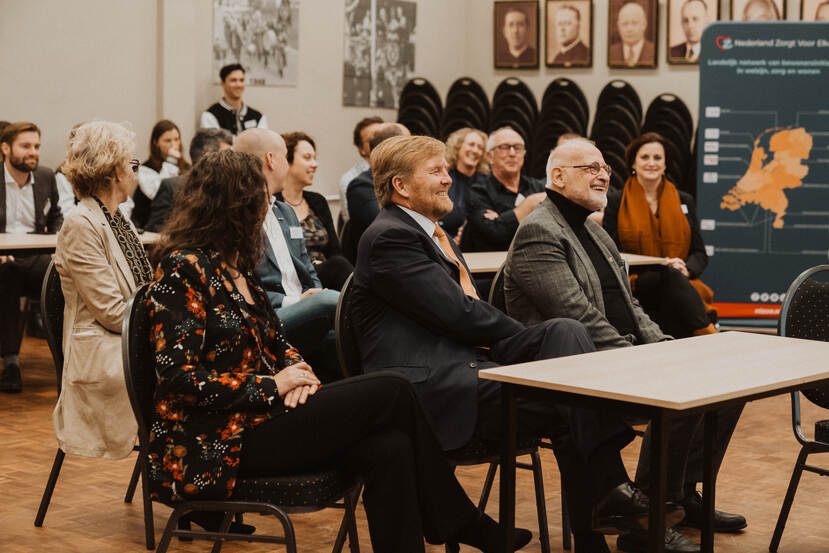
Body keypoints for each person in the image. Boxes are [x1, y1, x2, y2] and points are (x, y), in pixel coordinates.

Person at [146, 149, 529, 553]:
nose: (268, 208)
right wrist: (273, 386)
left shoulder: (237, 269)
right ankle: (460, 520)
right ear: (233, 205)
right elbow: (178, 380)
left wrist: (298, 373)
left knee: (391, 448)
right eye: (261, 198)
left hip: (257, 421)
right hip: (211, 442)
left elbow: (280, 344)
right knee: (393, 388)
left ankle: (453, 522)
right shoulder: (183, 269)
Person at [352, 135, 684, 553]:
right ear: (401, 185)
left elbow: (465, 317)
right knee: (571, 401)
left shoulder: (432, 234)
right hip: (434, 389)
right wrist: (517, 339)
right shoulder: (389, 237)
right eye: (436, 171)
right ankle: (607, 500)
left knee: (564, 332)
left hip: (472, 367)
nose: (448, 179)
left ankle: (609, 498)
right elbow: (458, 314)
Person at [504, 138, 746, 553]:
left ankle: (678, 497)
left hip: (619, 356)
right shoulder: (539, 232)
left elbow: (631, 308)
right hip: (574, 373)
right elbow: (578, 317)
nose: (603, 175)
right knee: (681, 391)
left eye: (605, 168)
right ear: (558, 176)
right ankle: (644, 521)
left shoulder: (593, 232)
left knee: (727, 386)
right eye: (591, 168)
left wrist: (667, 348)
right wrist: (647, 362)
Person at [52, 120, 152, 457]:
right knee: (190, 376)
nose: (135, 172)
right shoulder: (81, 223)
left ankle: (194, 481)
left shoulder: (118, 218)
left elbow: (143, 291)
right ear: (115, 171)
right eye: (132, 164)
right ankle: (190, 480)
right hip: (104, 353)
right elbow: (112, 314)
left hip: (126, 340)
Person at [235, 128, 340, 384]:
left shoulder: (285, 211)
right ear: (271, 160)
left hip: (308, 310)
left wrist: (311, 294)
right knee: (330, 302)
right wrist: (298, 301)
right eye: (284, 156)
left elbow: (308, 269)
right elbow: (241, 288)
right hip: (271, 315)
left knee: (349, 341)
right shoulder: (239, 216)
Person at [604, 132, 718, 339]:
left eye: (658, 158)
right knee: (667, 273)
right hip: (636, 281)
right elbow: (611, 252)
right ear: (633, 163)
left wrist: (686, 268)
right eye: (645, 157)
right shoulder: (615, 201)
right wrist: (661, 264)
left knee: (671, 276)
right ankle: (708, 333)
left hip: (677, 280)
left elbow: (699, 253)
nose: (651, 163)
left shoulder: (685, 200)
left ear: (665, 165)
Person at [0, 122, 62, 393]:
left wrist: (54, 243)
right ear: (5, 148)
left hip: (35, 255)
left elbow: (56, 215)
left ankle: (65, 360)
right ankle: (11, 363)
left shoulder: (46, 177)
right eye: (25, 146)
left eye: (36, 146)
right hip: (3, 259)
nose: (33, 152)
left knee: (61, 277)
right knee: (6, 277)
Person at [278, 131, 353, 290]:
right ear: (287, 160)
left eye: (314, 158)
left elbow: (335, 251)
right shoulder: (274, 203)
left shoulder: (317, 201)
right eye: (307, 158)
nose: (315, 164)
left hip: (326, 274)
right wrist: (311, 266)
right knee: (338, 266)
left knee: (338, 263)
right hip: (294, 278)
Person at [460, 127, 545, 252]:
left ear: (523, 154)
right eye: (504, 147)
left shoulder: (538, 187)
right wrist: (529, 205)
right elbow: (495, 233)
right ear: (490, 156)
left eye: (517, 147)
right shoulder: (478, 192)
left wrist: (502, 219)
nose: (512, 153)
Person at [145, 128, 233, 232]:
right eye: (227, 155)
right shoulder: (172, 187)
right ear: (208, 158)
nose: (232, 159)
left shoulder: (230, 187)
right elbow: (154, 229)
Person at [345, 122, 409, 252]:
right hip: (385, 259)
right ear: (395, 150)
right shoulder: (361, 186)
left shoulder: (408, 180)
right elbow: (390, 228)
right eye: (410, 146)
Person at [132, 120, 190, 229]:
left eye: (176, 139)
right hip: (152, 225)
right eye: (167, 141)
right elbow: (160, 194)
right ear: (156, 142)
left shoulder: (185, 166)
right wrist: (171, 161)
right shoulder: (146, 169)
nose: (174, 145)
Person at [441, 127, 489, 243]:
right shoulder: (443, 179)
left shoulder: (488, 182)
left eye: (480, 147)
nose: (475, 150)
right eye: (471, 145)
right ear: (457, 147)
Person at [338, 116, 383, 224]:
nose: (380, 141)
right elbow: (353, 222)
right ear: (361, 149)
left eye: (382, 136)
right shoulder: (350, 180)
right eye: (373, 139)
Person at [201, 63, 268, 135]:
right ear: (222, 83)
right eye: (233, 80)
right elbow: (215, 144)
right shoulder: (210, 116)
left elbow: (263, 143)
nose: (238, 85)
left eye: (241, 80)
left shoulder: (258, 117)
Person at [609, 2, 655, 67]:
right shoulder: (610, 53)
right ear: (618, 26)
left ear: (644, 25)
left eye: (634, 23)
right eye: (624, 24)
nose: (629, 29)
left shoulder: (655, 52)